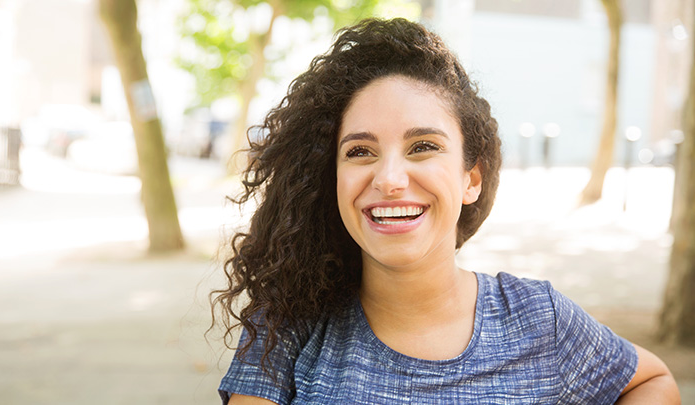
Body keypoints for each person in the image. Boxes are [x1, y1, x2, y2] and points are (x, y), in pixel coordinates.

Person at [213, 18, 680, 404]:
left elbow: (653, 383)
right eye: (360, 152)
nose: (390, 178)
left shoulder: (540, 319)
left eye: (422, 146)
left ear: (469, 179)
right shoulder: (287, 325)